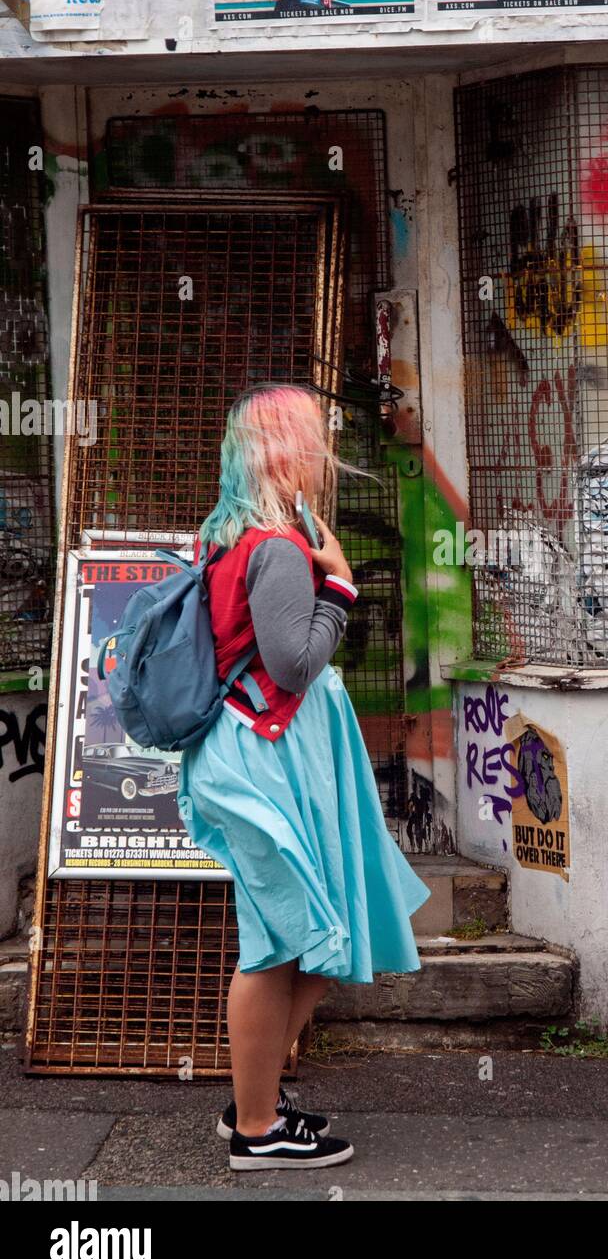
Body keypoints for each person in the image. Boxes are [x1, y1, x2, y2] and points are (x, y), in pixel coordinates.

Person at [177, 382, 430, 1172]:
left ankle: (253, 1096)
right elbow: (292, 664)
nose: (325, 457)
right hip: (263, 762)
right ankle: (256, 1130)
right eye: (315, 440)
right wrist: (343, 590)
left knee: (312, 931)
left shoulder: (227, 537)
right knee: (275, 944)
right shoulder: (277, 547)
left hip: (258, 756)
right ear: (285, 452)